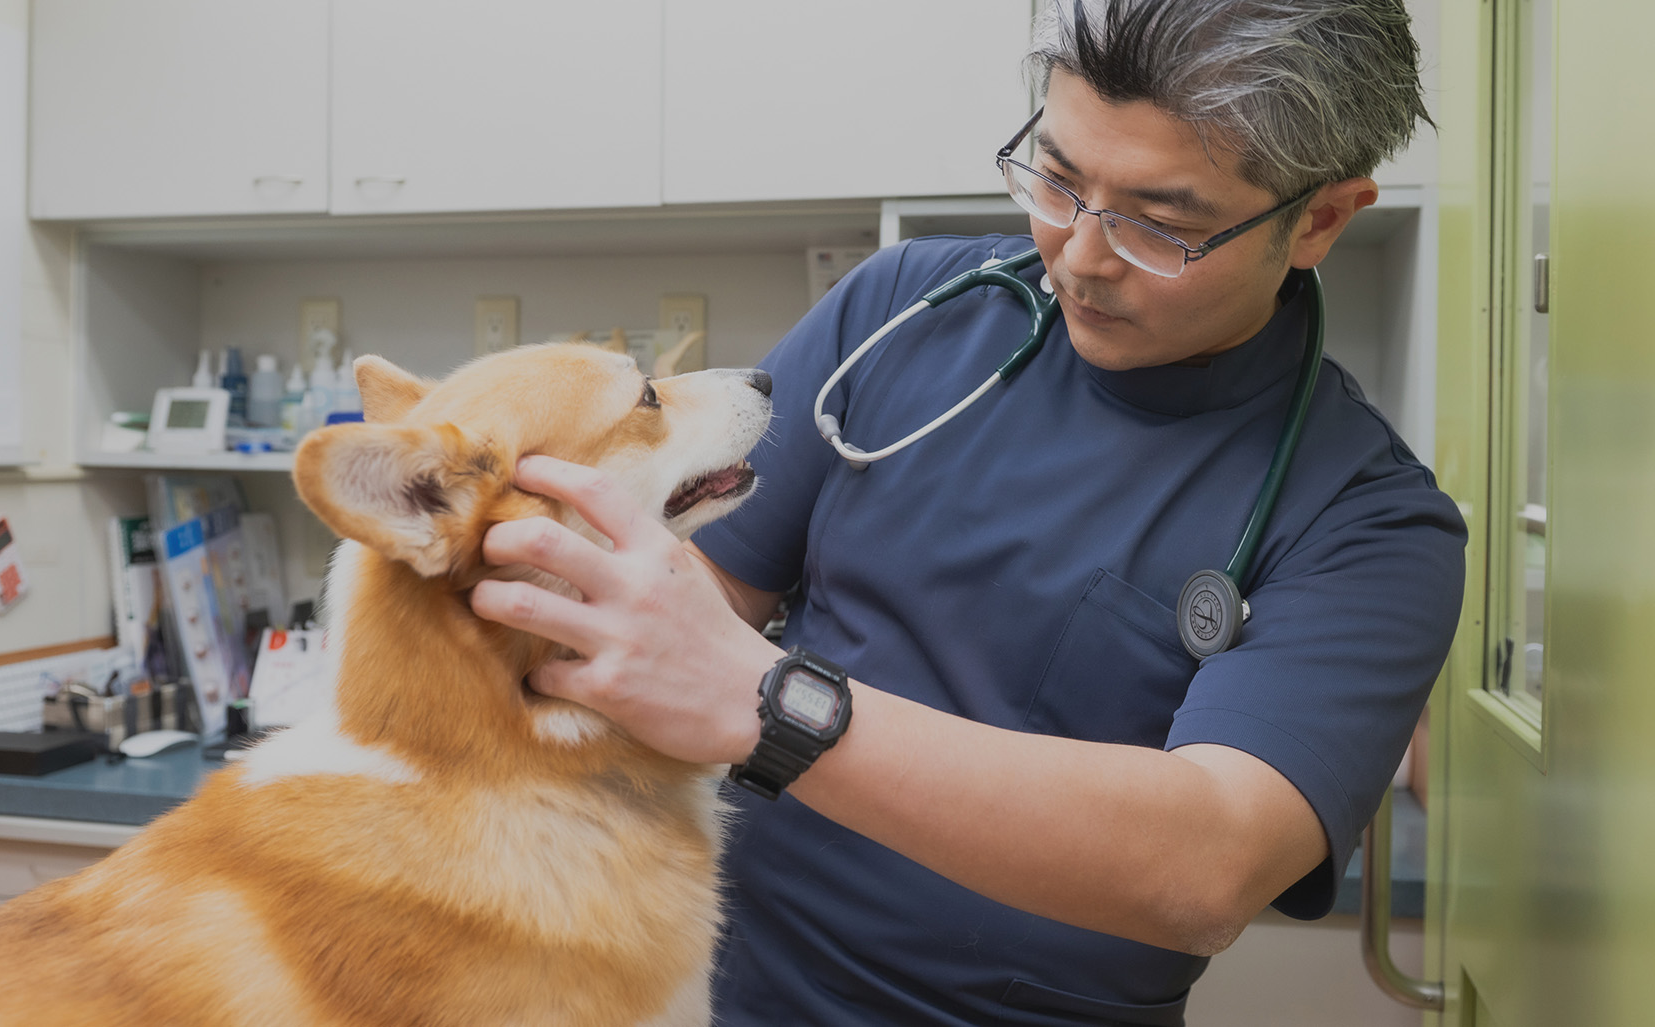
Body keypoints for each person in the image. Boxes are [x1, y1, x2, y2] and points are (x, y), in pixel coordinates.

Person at [470, 1, 1466, 1022]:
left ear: (1321, 219)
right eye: (1059, 179)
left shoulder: (1370, 523)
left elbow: (1207, 862)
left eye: (1161, 225)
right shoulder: (897, 312)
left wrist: (772, 704)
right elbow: (686, 602)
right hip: (734, 984)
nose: (1079, 255)